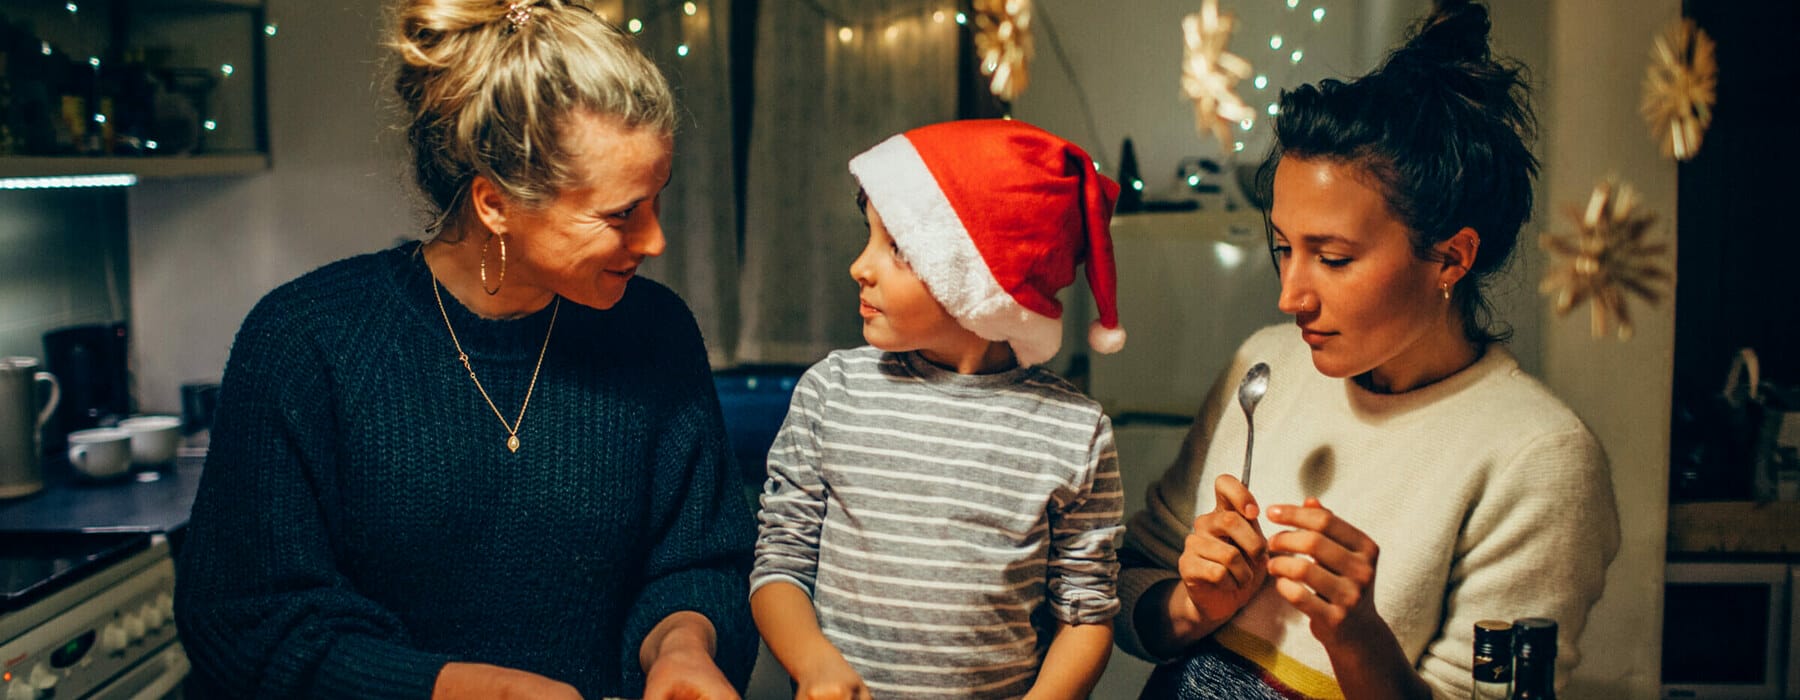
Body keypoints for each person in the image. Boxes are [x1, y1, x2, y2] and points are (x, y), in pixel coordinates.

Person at [172, 1, 756, 698]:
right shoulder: (304, 341)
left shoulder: (655, 332)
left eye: (657, 200)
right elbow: (245, 622)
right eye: (621, 214)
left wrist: (684, 645)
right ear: (494, 204)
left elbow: (702, 561)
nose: (655, 241)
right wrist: (469, 688)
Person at [1113, 2, 1621, 699]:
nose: (1292, 296)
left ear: (1450, 258)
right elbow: (1130, 580)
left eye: (1334, 257)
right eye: (1284, 249)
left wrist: (1356, 637)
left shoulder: (1539, 456)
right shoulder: (1265, 364)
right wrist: (1195, 605)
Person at [749, 119, 1128, 699]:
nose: (860, 265)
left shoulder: (1073, 431)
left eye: (896, 247)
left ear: (977, 281)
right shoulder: (832, 392)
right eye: (868, 236)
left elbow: (1084, 611)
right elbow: (780, 563)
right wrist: (815, 664)